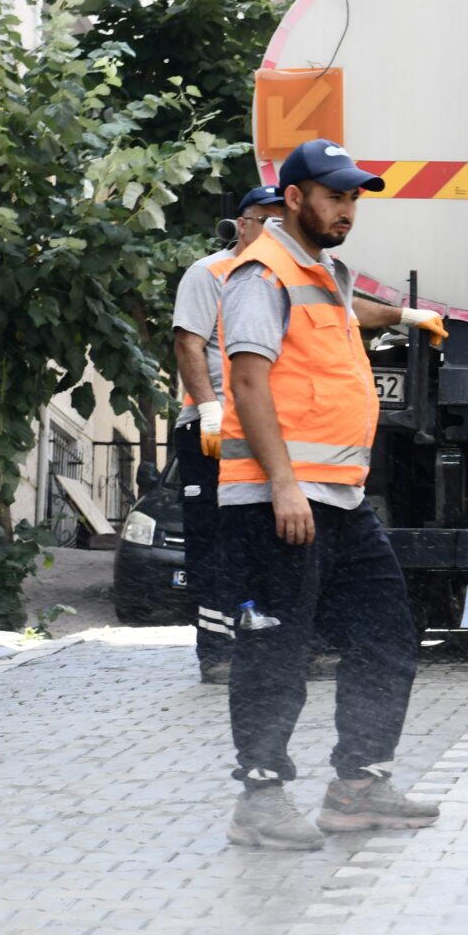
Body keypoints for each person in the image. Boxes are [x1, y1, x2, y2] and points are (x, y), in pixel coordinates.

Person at [217, 139, 447, 851]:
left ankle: (358, 785)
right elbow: (248, 380)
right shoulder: (263, 273)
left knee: (386, 630)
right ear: (294, 198)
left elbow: (352, 317)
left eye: (353, 198)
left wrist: (406, 318)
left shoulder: (325, 274)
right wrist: (284, 484)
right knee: (276, 647)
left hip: (341, 498)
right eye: (334, 196)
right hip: (279, 498)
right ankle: (260, 798)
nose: (347, 209)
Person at [171, 184, 280, 683]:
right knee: (214, 536)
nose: (275, 229)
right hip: (212, 428)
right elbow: (188, 345)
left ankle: (267, 640)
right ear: (241, 225)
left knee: (260, 535)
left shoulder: (280, 279)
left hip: (263, 427)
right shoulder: (209, 272)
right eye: (266, 219)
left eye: (282, 220)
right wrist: (211, 413)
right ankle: (216, 652)